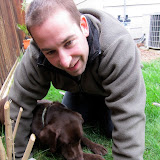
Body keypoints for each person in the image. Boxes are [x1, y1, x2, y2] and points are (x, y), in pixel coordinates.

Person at [8, 0, 146, 159]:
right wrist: (19, 156)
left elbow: (129, 115)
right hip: (78, 92)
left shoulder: (118, 46)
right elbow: (18, 106)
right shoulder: (36, 55)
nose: (66, 62)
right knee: (68, 120)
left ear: (84, 26)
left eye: (68, 43)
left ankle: (103, 108)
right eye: (51, 52)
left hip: (110, 91)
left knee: (112, 128)